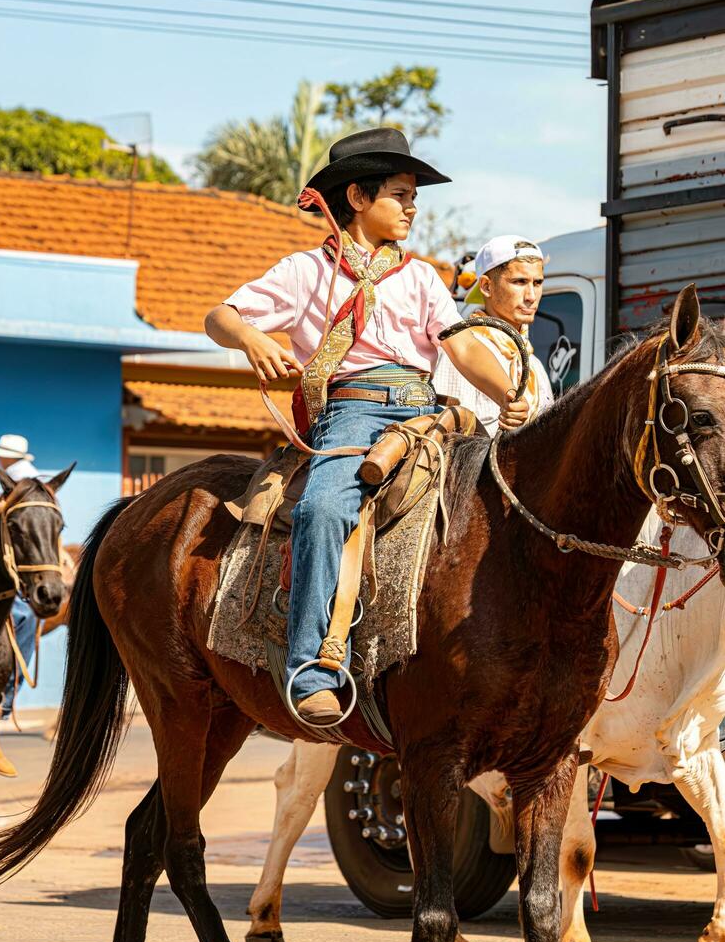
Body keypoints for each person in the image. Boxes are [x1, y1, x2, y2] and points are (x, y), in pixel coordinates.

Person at [206, 127, 530, 725]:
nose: (412, 207)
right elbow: (219, 315)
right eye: (401, 194)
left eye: (414, 197)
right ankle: (314, 667)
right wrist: (251, 337)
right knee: (324, 509)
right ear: (357, 197)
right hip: (351, 412)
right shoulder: (304, 272)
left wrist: (509, 394)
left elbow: (459, 347)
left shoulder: (423, 277)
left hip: (428, 413)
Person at [434, 235, 554, 436]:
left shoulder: (534, 365)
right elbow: (448, 438)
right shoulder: (461, 351)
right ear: (486, 286)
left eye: (537, 283)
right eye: (519, 282)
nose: (531, 296)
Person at [0, 434, 41, 731]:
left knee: (22, 614)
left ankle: (3, 699)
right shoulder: (19, 477)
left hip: (20, 560)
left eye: (1, 455)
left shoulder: (20, 480)